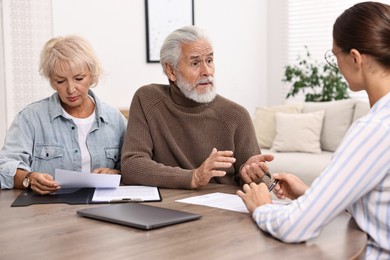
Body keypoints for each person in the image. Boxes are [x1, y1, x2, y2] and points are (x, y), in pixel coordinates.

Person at [237, 2, 390, 259]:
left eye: (335, 56)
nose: (337, 66)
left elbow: (296, 227)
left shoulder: (375, 129)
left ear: (355, 58)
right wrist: (311, 194)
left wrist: (261, 207)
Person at [121, 25, 273, 189]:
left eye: (209, 60)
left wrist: (253, 175)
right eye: (195, 63)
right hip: (166, 209)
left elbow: (266, 184)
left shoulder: (236, 115)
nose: (207, 71)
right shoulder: (147, 99)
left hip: (220, 211)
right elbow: (132, 165)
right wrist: (192, 177)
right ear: (171, 70)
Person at [0, 35, 127, 194]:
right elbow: (4, 167)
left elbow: (135, 166)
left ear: (92, 75)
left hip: (103, 208)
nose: (71, 89)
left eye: (79, 79)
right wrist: (29, 178)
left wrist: (117, 173)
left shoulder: (115, 120)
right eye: (60, 81)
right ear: (51, 81)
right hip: (47, 211)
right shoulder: (30, 118)